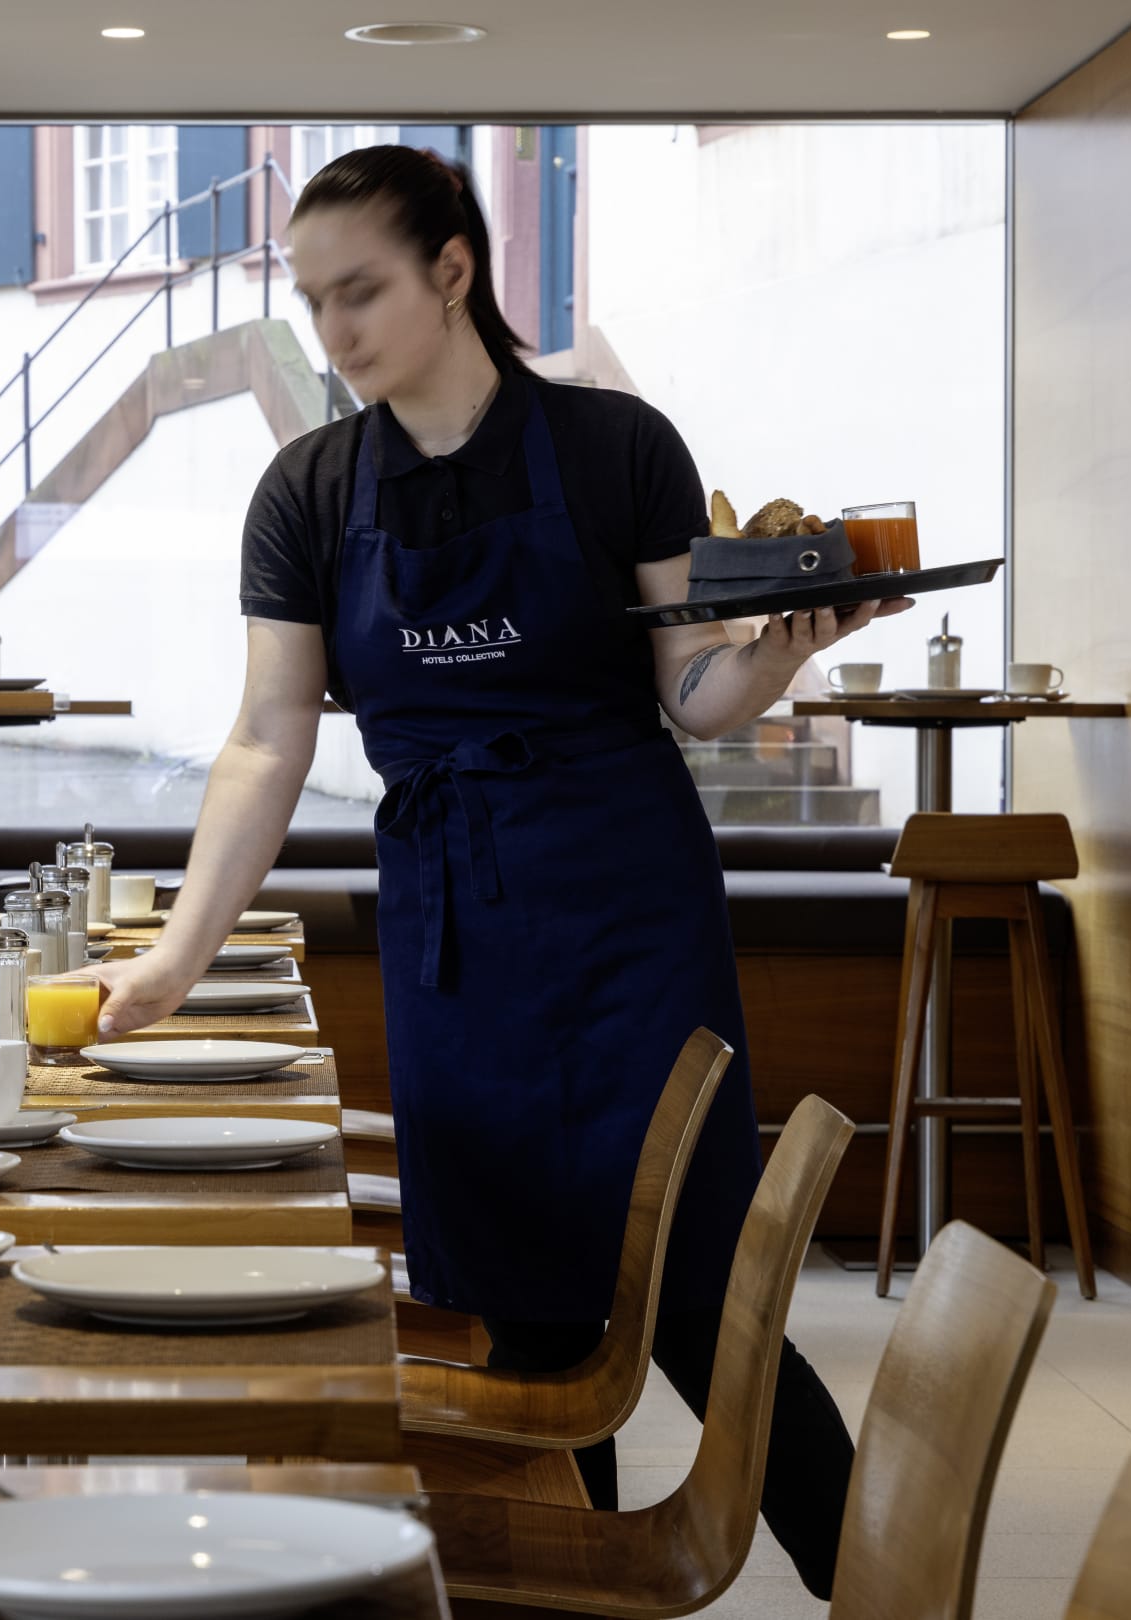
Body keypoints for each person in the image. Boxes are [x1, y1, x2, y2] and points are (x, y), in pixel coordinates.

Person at [86, 145, 901, 1598]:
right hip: (456, 934)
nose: (331, 330)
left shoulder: (613, 447)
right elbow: (266, 739)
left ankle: (890, 1589)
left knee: (704, 1306)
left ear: (452, 271)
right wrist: (174, 958)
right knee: (522, 1315)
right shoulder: (308, 491)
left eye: (359, 292)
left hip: (631, 912)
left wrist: (778, 657)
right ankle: (569, 1584)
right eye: (311, 300)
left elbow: (692, 694)